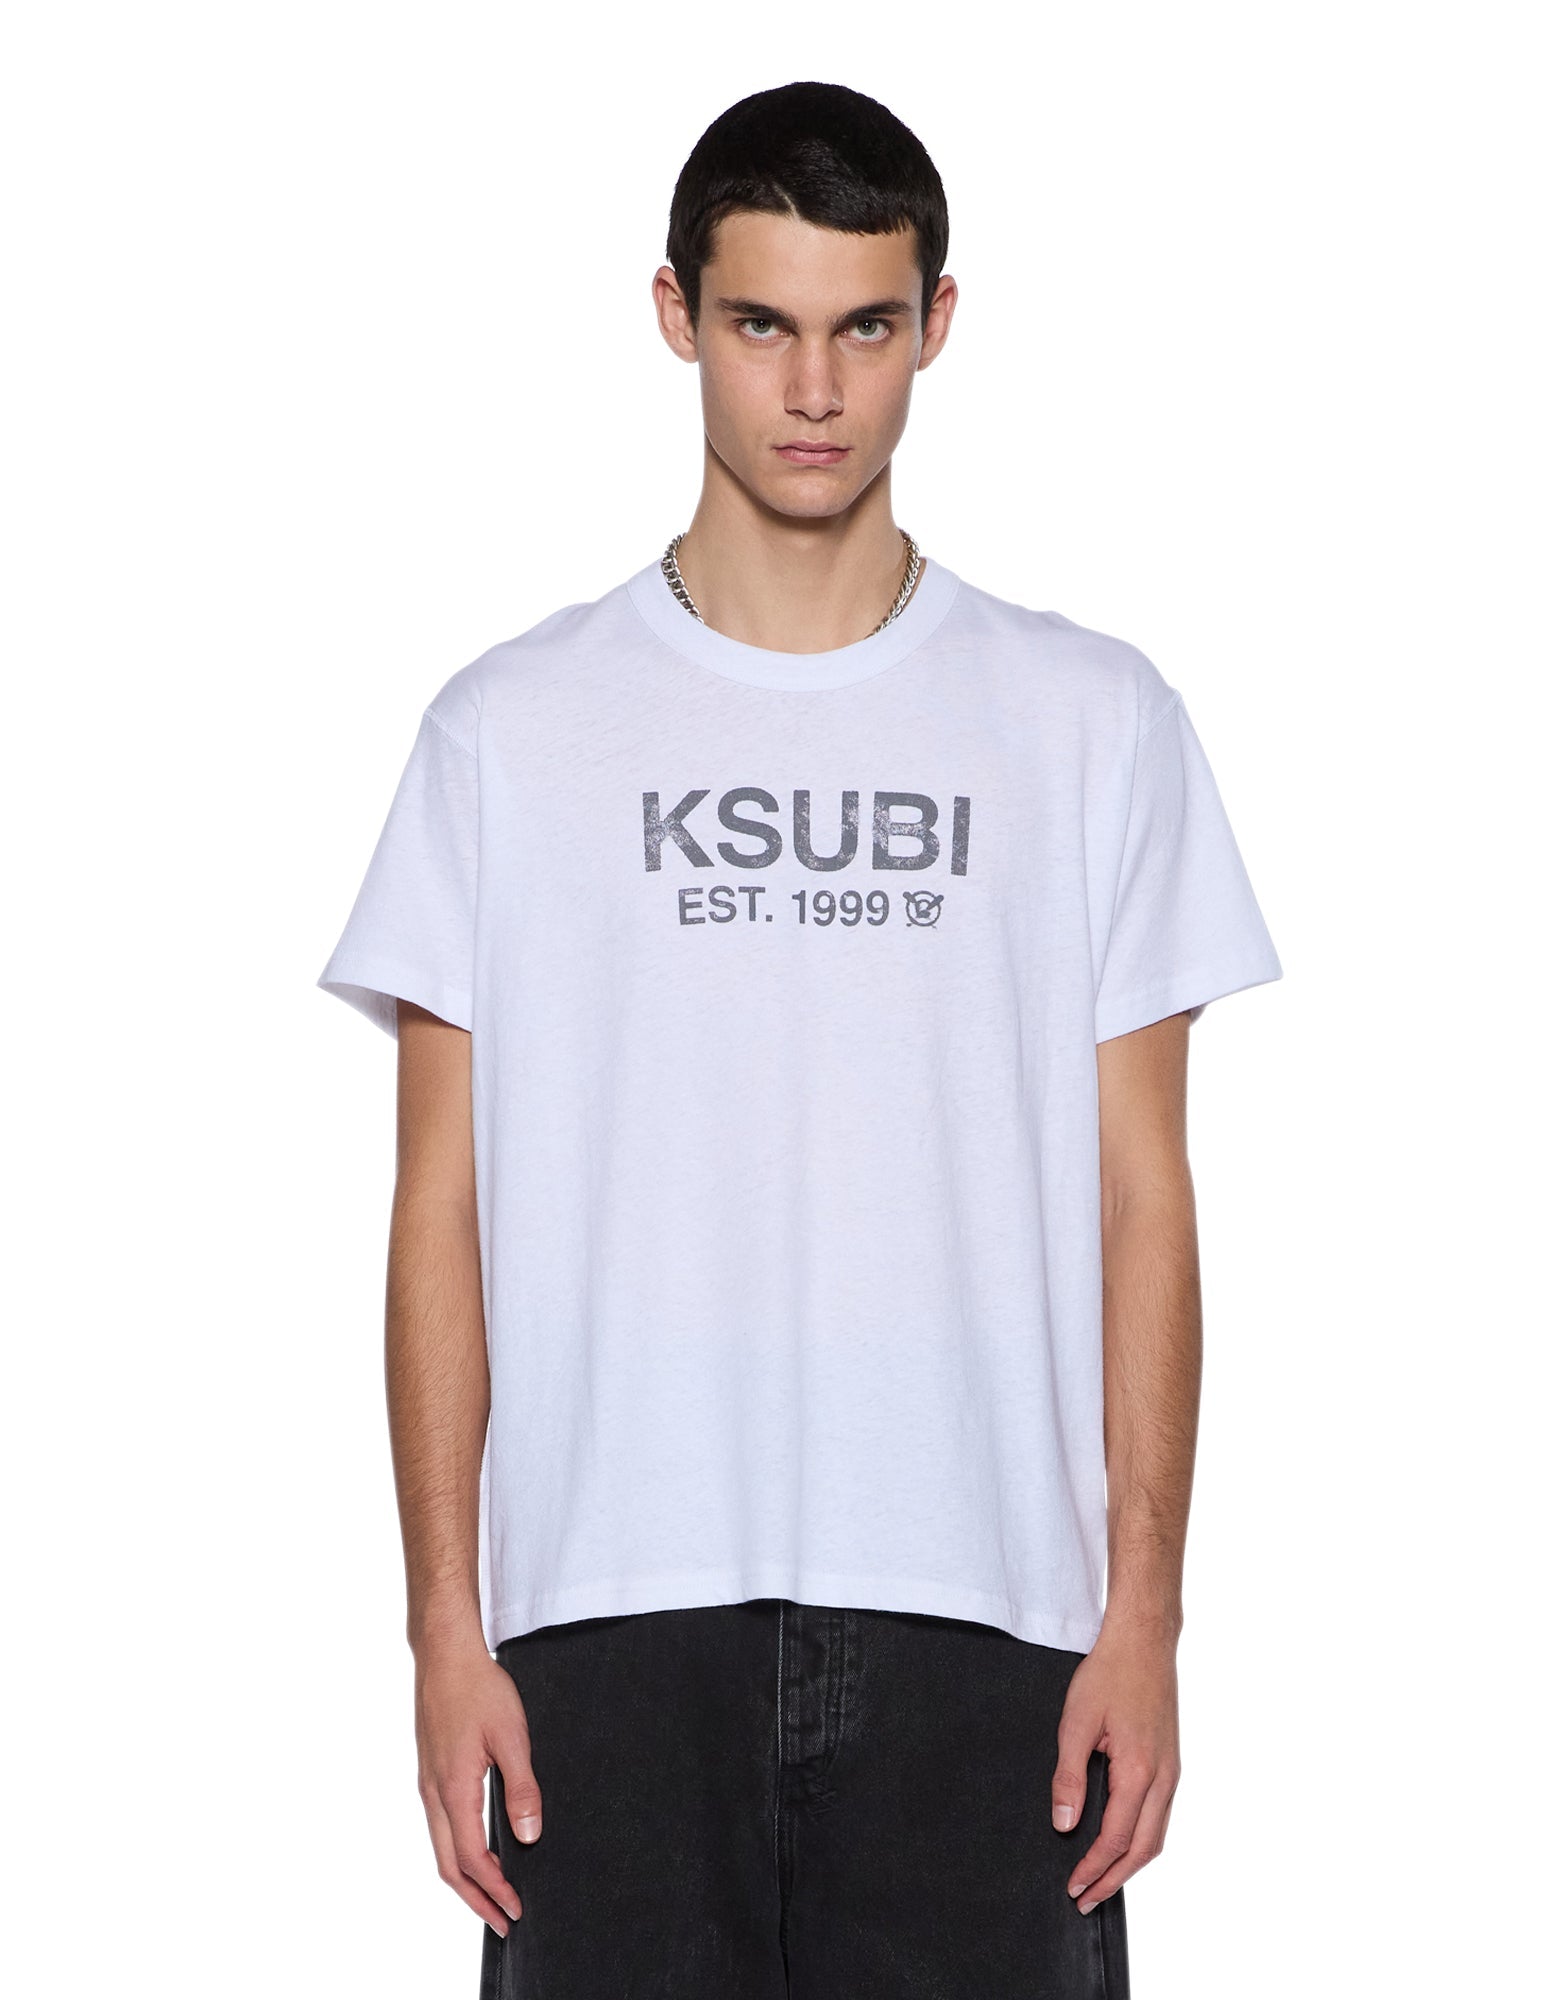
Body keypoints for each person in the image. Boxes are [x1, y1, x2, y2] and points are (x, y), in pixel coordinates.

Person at [317, 78, 1282, 2000]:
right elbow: (441, 1205)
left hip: (991, 1621)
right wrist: (441, 1628)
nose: (816, 390)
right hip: (604, 1617)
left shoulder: (1092, 721)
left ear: (938, 323)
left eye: (866, 327)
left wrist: (1148, 1614)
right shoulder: (508, 730)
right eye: (763, 324)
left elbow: (1144, 1198)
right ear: (676, 314)